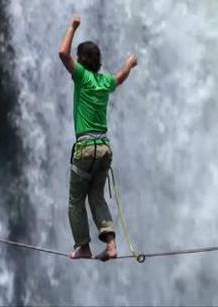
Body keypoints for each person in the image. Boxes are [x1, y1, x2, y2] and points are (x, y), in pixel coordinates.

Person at [58, 15, 138, 261]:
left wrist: (72, 26)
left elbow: (63, 53)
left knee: (75, 201)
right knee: (96, 196)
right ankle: (112, 245)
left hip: (85, 149)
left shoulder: (82, 77)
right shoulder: (105, 82)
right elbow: (120, 77)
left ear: (82, 61)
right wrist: (129, 64)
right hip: (104, 150)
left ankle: (83, 246)